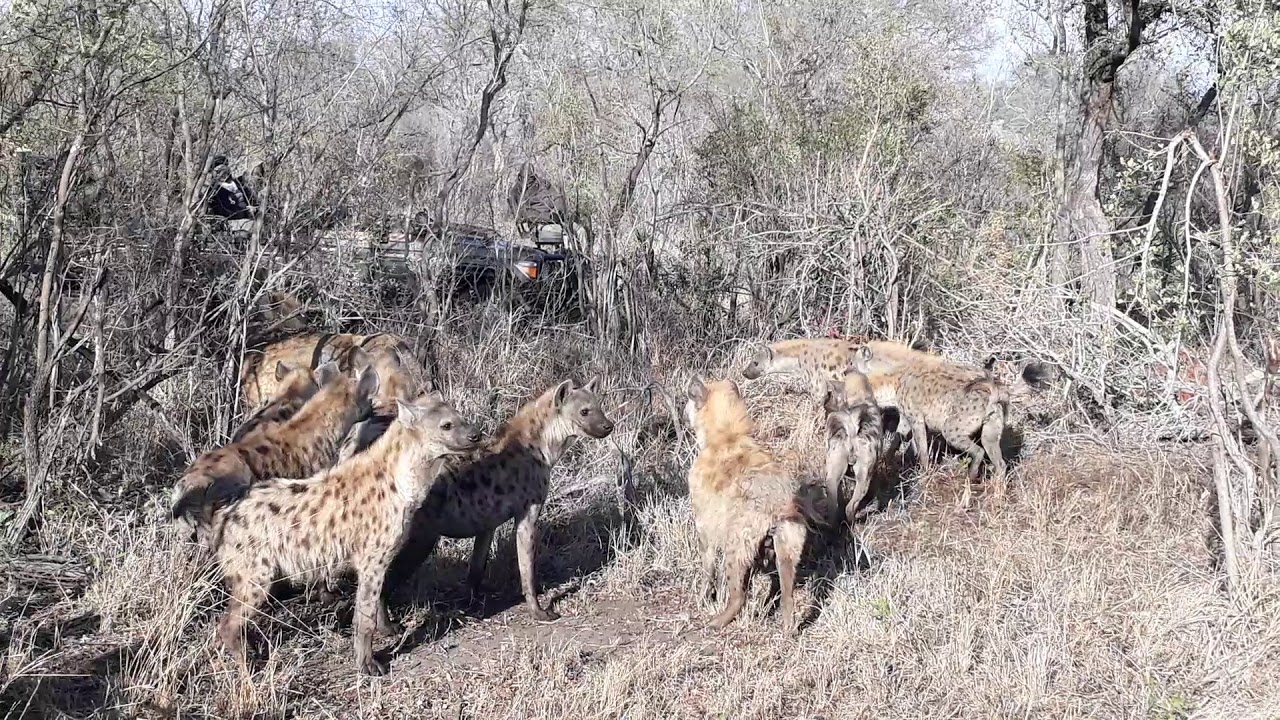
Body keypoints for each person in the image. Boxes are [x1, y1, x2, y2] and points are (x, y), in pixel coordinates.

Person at [206, 154, 258, 244]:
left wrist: (254, 208)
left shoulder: (240, 185)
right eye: (218, 172)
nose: (222, 174)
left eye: (224, 171)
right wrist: (244, 212)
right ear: (213, 173)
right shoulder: (214, 191)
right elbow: (220, 209)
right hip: (231, 222)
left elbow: (252, 201)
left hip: (250, 219)